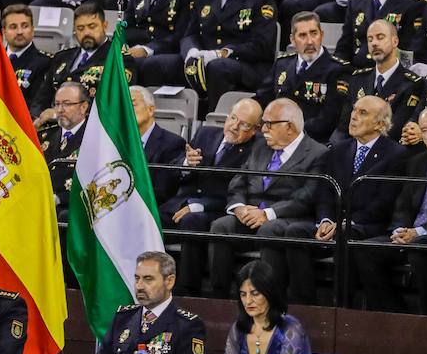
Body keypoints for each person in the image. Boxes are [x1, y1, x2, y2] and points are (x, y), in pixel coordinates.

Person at [269, 95, 404, 303]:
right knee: (295, 232)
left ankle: (341, 307)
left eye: (362, 113)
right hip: (333, 222)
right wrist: (325, 219)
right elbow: (324, 191)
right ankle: (304, 303)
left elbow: (383, 203)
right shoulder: (338, 149)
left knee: (344, 234)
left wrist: (345, 222)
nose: (353, 116)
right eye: (354, 110)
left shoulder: (395, 154)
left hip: (366, 225)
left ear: (380, 124)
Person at [354, 105, 427, 315]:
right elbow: (403, 205)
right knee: (364, 250)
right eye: (424, 130)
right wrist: (399, 230)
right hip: (409, 234)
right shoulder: (417, 162)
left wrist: (418, 232)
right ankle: (395, 315)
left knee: (421, 250)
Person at [207, 99, 328, 296]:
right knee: (221, 226)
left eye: (269, 124)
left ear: (289, 127)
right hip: (250, 215)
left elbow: (307, 197)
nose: (263, 129)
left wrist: (267, 214)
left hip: (287, 218)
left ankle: (272, 298)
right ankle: (218, 296)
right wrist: (240, 208)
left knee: (269, 229)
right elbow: (238, 183)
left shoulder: (317, 153)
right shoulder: (260, 146)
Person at [165, 98, 261, 296]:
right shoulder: (206, 133)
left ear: (255, 130)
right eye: (233, 118)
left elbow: (240, 192)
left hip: (218, 208)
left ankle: (188, 291)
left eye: (244, 124)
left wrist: (198, 206)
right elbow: (175, 171)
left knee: (193, 220)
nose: (234, 126)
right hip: (182, 202)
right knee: (145, 217)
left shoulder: (256, 150)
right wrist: (186, 163)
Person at [179, 0, 279, 103]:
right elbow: (189, 34)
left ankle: (213, 117)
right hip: (206, 59)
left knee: (219, 67)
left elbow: (262, 45)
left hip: (247, 65)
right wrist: (192, 52)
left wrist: (223, 53)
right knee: (162, 65)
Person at [90, 250, 208, 354]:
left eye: (148, 279)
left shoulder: (187, 325)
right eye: (137, 278)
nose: (139, 286)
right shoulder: (123, 317)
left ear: (169, 281)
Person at [208, 260, 313, 354]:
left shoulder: (291, 328)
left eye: (255, 293)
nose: (248, 301)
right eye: (243, 294)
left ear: (270, 293)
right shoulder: (239, 328)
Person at [259, 13, 352, 144]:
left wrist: (288, 131)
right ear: (292, 40)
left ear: (322, 35)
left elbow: (329, 119)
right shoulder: (282, 64)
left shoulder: (338, 70)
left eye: (314, 33)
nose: (309, 41)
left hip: (312, 143)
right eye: (302, 35)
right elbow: (262, 98)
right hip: (276, 138)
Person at [37, 81, 87, 221]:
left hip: (73, 207)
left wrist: (60, 198)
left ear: (83, 107)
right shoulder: (43, 136)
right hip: (40, 205)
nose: (60, 109)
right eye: (57, 104)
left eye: (66, 104)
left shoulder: (95, 137)